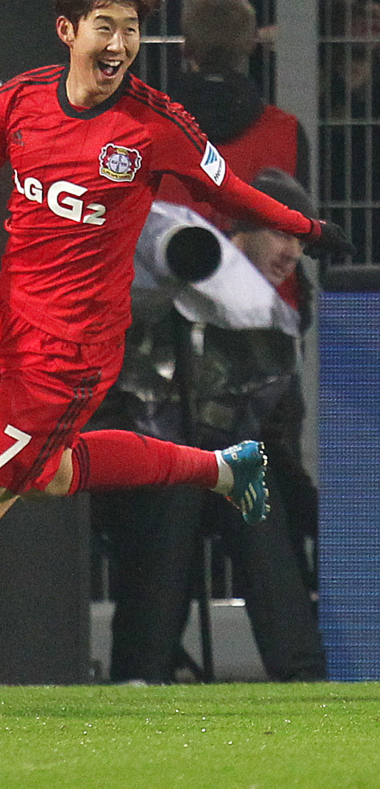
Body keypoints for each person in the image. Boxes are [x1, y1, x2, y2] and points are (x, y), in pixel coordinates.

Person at [0, 0, 349, 708]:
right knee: (50, 475)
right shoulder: (20, 103)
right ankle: (223, 469)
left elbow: (228, 188)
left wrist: (311, 228)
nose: (120, 45)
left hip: (72, 356)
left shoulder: (156, 127)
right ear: (68, 30)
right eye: (106, 27)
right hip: (12, 330)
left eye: (131, 30)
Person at [91, 169, 327, 684]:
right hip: (136, 472)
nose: (291, 252)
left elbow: (277, 436)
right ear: (237, 233)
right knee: (176, 490)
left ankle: (303, 680)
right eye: (281, 234)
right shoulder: (156, 290)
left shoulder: (278, 319)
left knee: (253, 492)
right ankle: (141, 675)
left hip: (219, 474)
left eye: (299, 240)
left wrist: (317, 519)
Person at [160, 0, 307, 232]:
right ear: (251, 46)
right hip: (261, 272)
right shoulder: (288, 132)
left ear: (185, 49)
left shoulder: (145, 131)